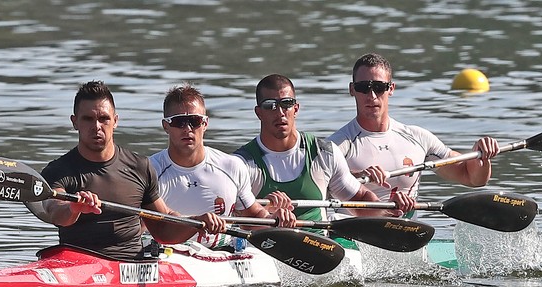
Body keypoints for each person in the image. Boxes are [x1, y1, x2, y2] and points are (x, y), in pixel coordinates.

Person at [40, 80, 221, 260]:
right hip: (75, 266)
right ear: (74, 122)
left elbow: (164, 231)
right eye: (88, 119)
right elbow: (55, 211)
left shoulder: (139, 167)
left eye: (104, 119)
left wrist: (197, 222)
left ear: (115, 121)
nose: (96, 126)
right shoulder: (58, 170)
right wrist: (73, 208)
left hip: (130, 267)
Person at [327, 53, 500, 210]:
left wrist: (481, 156)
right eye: (363, 87)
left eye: (379, 87)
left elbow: (471, 177)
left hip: (406, 236)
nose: (371, 96)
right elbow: (318, 187)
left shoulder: (418, 138)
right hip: (351, 235)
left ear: (391, 88)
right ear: (352, 89)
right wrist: (353, 176)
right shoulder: (336, 146)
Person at [148, 84, 296, 248]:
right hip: (169, 255)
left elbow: (251, 218)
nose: (188, 129)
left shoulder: (231, 166)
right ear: (165, 126)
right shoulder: (150, 170)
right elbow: (153, 228)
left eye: (195, 121)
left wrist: (275, 219)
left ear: (205, 124)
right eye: (179, 122)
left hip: (221, 254)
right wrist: (196, 221)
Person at [234, 74, 396, 220]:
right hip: (262, 247)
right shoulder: (242, 163)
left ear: (295, 109)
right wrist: (267, 213)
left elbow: (360, 200)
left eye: (286, 104)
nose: (280, 113)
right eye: (270, 105)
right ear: (258, 113)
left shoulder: (324, 154)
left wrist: (392, 209)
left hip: (320, 247)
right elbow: (238, 215)